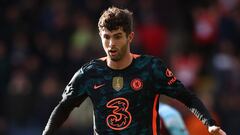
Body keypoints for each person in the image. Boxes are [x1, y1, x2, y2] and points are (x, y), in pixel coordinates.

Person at [42, 6, 226, 135]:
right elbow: (63, 108)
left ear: (130, 37)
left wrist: (209, 123)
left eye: (117, 37)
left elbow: (188, 97)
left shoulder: (151, 68)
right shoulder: (89, 73)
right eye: (106, 37)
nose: (111, 44)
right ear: (100, 37)